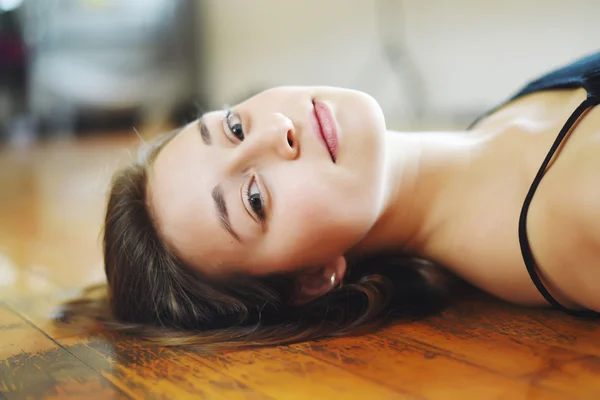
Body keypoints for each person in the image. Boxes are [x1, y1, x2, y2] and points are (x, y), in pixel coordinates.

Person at [56, 51, 600, 352]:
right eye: (253, 198)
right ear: (313, 278)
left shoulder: (504, 124)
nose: (277, 135)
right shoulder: (580, 209)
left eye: (234, 126)